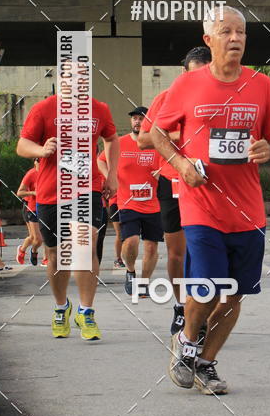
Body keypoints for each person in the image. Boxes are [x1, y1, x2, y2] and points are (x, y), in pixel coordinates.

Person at [152, 6, 270, 395]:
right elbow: (158, 133)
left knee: (234, 294)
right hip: (202, 205)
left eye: (241, 32)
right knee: (207, 287)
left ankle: (206, 362)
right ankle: (188, 342)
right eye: (226, 31)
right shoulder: (187, 85)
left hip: (247, 210)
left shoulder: (261, 86)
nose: (235, 38)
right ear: (208, 39)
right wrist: (180, 163)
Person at [16, 90, 118, 339]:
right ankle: (62, 306)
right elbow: (22, 145)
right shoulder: (43, 109)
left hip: (87, 189)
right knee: (55, 255)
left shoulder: (99, 108)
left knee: (86, 243)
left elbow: (112, 138)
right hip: (52, 193)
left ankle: (86, 311)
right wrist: (41, 151)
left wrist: (112, 174)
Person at [138, 46, 212, 336]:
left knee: (206, 249)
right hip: (173, 180)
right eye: (194, 74)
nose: (199, 80)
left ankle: (203, 310)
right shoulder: (166, 98)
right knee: (177, 252)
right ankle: (181, 308)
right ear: (184, 73)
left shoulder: (221, 98)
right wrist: (185, 133)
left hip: (208, 181)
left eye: (205, 74)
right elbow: (145, 138)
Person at [116, 107, 164, 297]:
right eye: (134, 119)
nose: (137, 122)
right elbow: (102, 161)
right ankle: (130, 271)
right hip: (128, 202)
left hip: (154, 204)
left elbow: (169, 165)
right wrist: (110, 177)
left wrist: (162, 174)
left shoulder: (157, 144)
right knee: (131, 241)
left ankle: (144, 283)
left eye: (141, 119)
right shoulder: (120, 143)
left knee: (151, 247)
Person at [16, 159, 43, 266]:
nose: (41, 163)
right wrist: (33, 192)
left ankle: (45, 258)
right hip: (32, 208)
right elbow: (19, 192)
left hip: (46, 208)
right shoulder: (31, 174)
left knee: (38, 237)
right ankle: (31, 251)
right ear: (35, 162)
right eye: (39, 161)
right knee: (37, 239)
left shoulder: (50, 173)